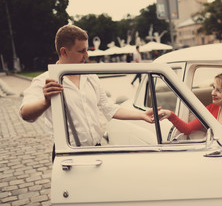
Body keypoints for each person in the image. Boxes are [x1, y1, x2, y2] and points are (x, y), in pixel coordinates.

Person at [20, 25, 156, 150]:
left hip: (96, 149)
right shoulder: (44, 80)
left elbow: (108, 107)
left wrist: (142, 115)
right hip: (68, 154)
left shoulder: (90, 76)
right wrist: (45, 102)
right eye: (81, 51)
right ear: (64, 52)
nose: (87, 55)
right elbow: (25, 114)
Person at [160, 71, 222, 165]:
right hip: (217, 159)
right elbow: (187, 129)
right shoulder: (212, 108)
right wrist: (170, 115)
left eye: (219, 90)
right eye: (213, 88)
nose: (213, 93)